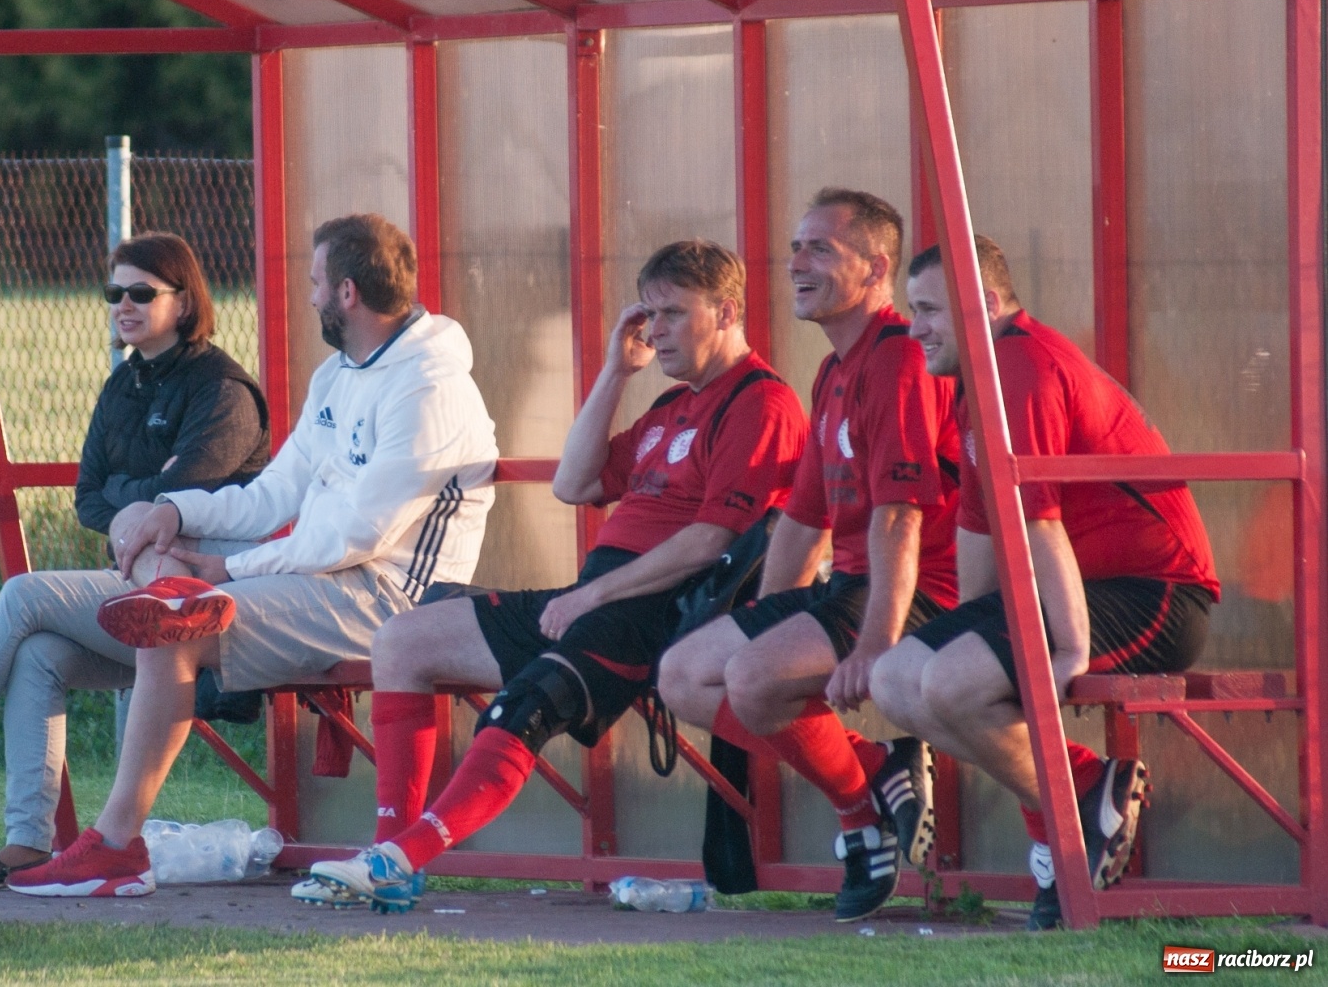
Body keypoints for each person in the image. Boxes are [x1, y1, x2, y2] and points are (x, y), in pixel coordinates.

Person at [301, 238, 807, 912]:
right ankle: (391, 858)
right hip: (597, 595)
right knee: (403, 641)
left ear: (726, 312)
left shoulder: (759, 402)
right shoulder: (671, 406)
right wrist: (615, 374)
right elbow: (574, 483)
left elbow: (710, 541)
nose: (656, 331)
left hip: (660, 609)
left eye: (673, 315)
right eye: (648, 315)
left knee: (527, 702)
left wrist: (594, 594)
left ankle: (403, 858)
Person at [4, 212, 500, 898]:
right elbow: (272, 497)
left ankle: (117, 847)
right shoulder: (339, 376)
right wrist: (175, 510)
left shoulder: (430, 388)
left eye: (317, 282)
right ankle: (107, 845)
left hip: (392, 600)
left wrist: (229, 569)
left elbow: (361, 536)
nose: (311, 295)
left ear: (348, 293)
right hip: (325, 584)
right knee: (165, 615)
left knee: (178, 619)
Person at [0, 232, 271, 889]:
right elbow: (90, 497)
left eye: (141, 293)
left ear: (184, 303)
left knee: (24, 595)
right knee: (38, 653)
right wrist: (135, 507)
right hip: (139, 599)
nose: (123, 305)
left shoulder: (224, 392)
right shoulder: (123, 384)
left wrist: (137, 505)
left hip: (208, 611)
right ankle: (28, 843)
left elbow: (185, 499)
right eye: (114, 293)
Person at [870, 236, 1219, 930]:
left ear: (987, 304)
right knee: (896, 679)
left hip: (1157, 595)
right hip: (1082, 588)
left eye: (931, 311)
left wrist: (1064, 650)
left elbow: (1040, 523)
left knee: (948, 683)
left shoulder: (1017, 365)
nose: (916, 329)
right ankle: (1086, 788)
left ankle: (1075, 813)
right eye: (913, 311)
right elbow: (980, 535)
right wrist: (966, 635)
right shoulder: (975, 387)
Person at [656, 189, 960, 923]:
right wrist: (768, 613)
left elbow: (898, 514)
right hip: (850, 585)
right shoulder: (832, 371)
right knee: (685, 677)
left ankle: (863, 823)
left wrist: (879, 648)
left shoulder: (895, 359)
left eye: (820, 249)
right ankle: (870, 780)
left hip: (922, 585)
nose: (796, 263)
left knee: (753, 681)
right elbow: (802, 518)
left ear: (877, 268)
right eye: (796, 247)